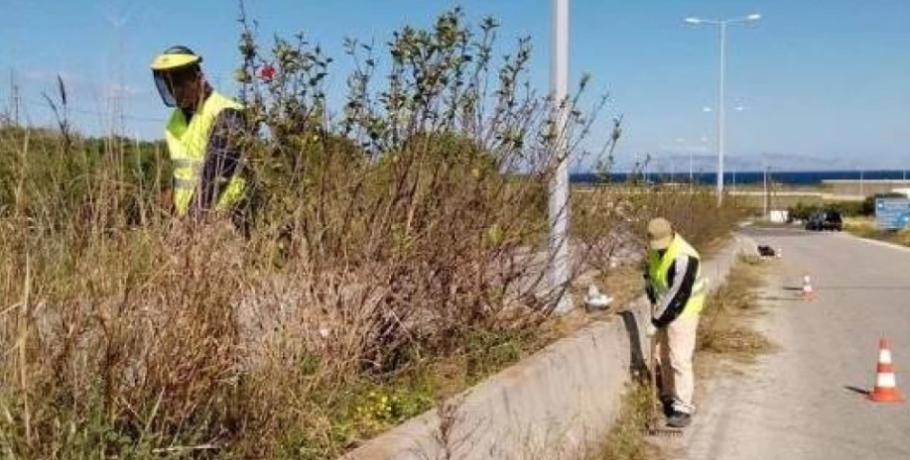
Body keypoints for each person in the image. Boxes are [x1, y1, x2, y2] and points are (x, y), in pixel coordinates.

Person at [150, 45, 248, 217]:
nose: (175, 89)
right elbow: (184, 169)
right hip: (188, 217)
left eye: (179, 81)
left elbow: (218, 171)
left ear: (199, 77)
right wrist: (171, 195)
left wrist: (193, 217)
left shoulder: (226, 112)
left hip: (224, 216)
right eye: (169, 83)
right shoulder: (176, 119)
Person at [644, 217, 707, 428]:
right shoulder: (655, 251)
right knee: (663, 355)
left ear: (672, 233)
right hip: (664, 308)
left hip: (684, 311)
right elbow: (653, 274)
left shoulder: (685, 256)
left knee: (679, 359)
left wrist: (656, 321)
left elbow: (678, 295)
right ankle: (669, 395)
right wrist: (649, 285)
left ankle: (683, 407)